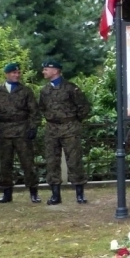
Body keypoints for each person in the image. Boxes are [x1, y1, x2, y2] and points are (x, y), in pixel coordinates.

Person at [0, 62, 42, 203]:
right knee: (5, 163)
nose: (16, 75)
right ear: (7, 74)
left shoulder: (26, 91)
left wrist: (33, 127)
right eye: (13, 73)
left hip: (22, 130)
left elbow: (34, 111)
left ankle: (33, 192)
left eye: (18, 73)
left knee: (28, 163)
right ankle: (6, 193)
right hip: (4, 131)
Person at [38, 60, 91, 205]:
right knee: (51, 161)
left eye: (46, 69)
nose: (43, 72)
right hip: (51, 129)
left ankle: (80, 194)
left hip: (69, 128)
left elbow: (84, 107)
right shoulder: (44, 91)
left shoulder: (71, 88)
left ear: (55, 71)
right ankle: (55, 195)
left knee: (74, 160)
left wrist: (74, 121)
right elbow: (42, 108)